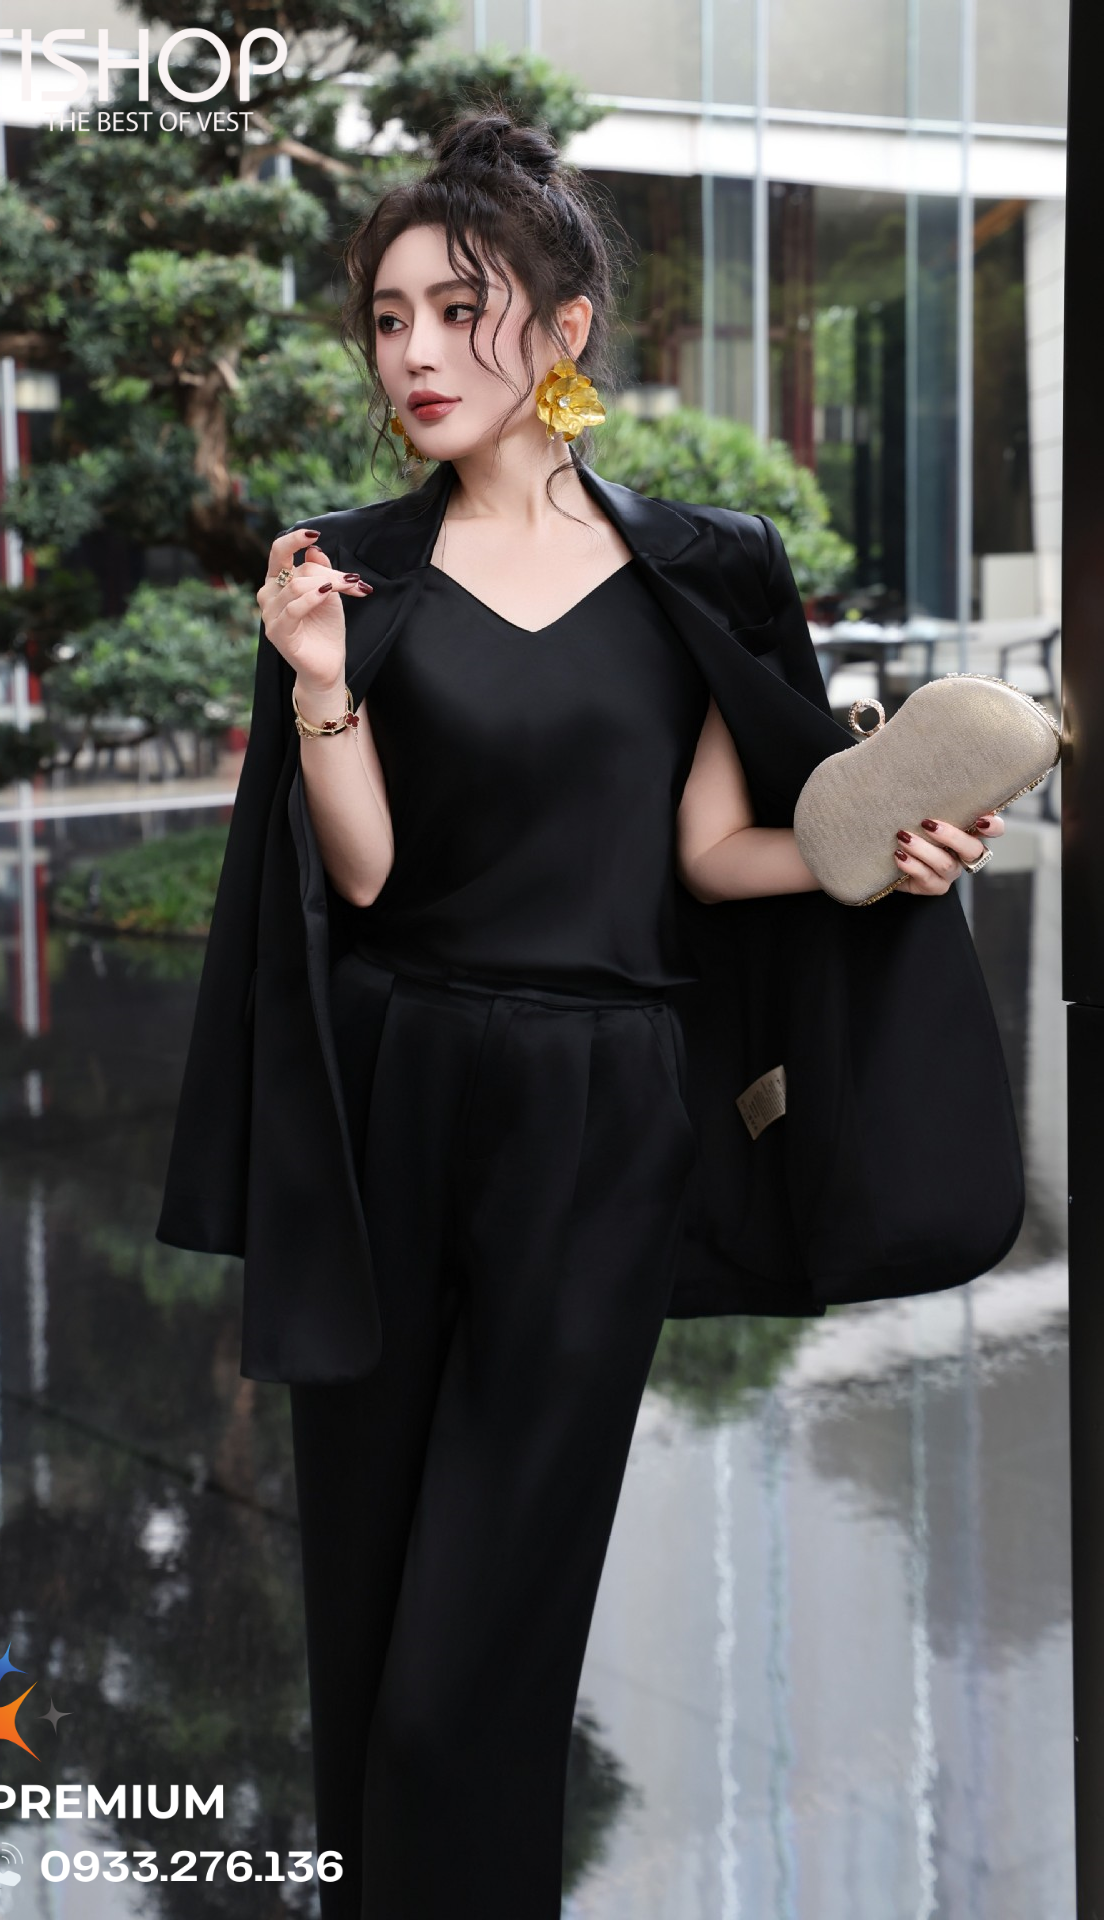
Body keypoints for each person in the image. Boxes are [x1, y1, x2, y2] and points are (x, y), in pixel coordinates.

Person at [157, 110, 1021, 1919]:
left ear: (561, 332)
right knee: (371, 1613)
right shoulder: (347, 572)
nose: (410, 353)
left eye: (454, 310)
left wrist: (879, 860)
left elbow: (715, 852)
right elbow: (363, 875)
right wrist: (315, 682)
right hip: (390, 1096)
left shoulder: (703, 567)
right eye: (385, 317)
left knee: (478, 1646)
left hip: (596, 1118)